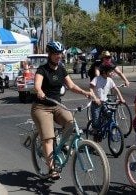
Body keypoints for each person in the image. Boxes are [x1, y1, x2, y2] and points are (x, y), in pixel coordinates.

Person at [31, 41, 93, 180]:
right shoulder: (42, 69)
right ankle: (52, 169)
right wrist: (39, 91)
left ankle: (62, 144)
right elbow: (37, 85)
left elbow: (71, 85)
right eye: (55, 54)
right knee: (48, 138)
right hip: (42, 108)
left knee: (71, 123)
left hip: (57, 105)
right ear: (50, 54)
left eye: (60, 54)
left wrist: (85, 92)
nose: (58, 56)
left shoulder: (61, 69)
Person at [90, 64, 125, 142]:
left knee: (110, 115)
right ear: (104, 72)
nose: (112, 73)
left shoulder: (110, 80)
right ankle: (95, 137)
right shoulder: (97, 79)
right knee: (96, 122)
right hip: (96, 103)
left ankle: (110, 130)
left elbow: (116, 89)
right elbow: (91, 89)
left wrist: (121, 98)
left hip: (105, 102)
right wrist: (95, 98)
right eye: (110, 72)